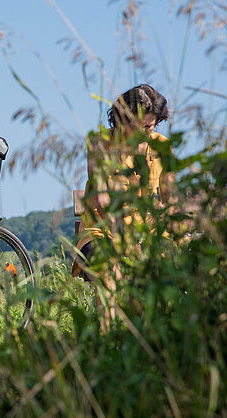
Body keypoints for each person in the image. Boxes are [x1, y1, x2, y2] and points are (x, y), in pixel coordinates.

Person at [72, 84, 173, 328]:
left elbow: (170, 201)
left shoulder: (162, 147)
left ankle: (151, 343)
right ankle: (109, 344)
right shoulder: (100, 144)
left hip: (148, 235)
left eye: (149, 127)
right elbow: (102, 200)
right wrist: (129, 245)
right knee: (110, 269)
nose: (144, 134)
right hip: (103, 231)